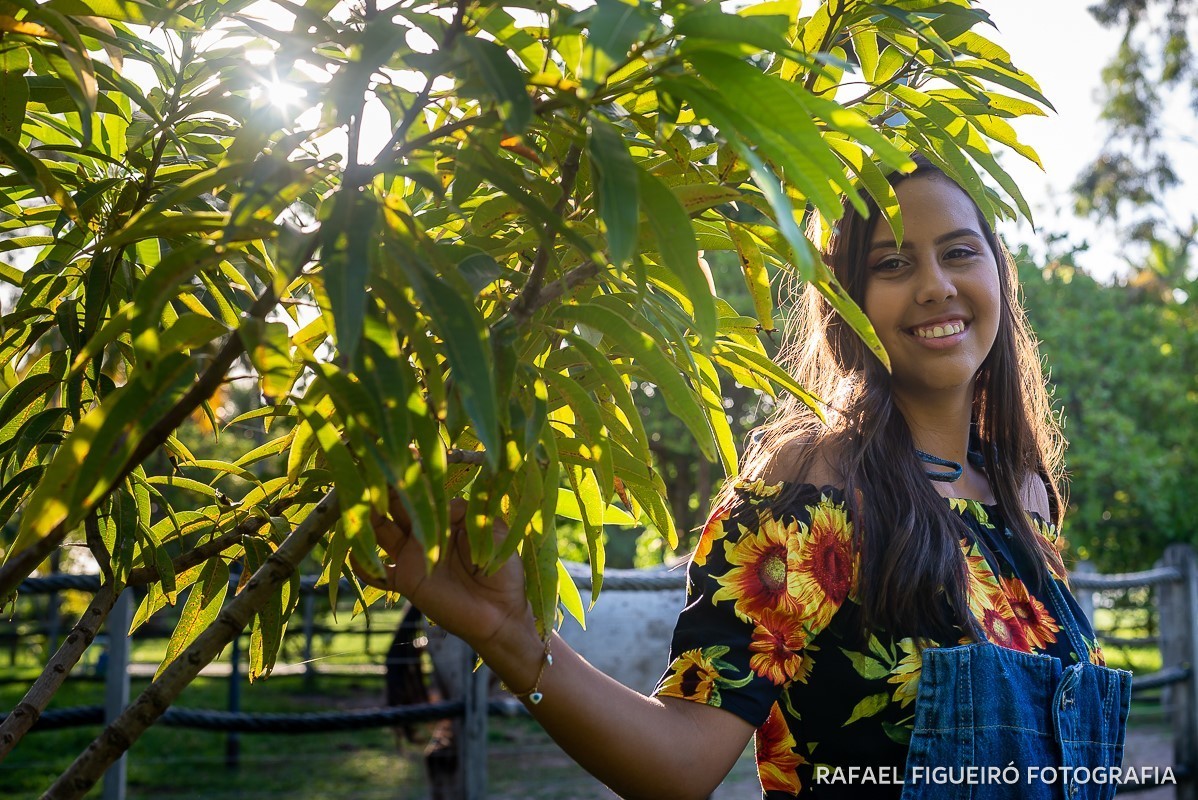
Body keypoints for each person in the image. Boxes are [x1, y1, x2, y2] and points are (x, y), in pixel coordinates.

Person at [357, 155, 1131, 799]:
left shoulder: (1025, 499)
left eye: (959, 252)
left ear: (998, 273)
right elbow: (680, 764)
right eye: (892, 263)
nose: (934, 284)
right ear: (846, 303)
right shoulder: (816, 493)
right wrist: (513, 639)